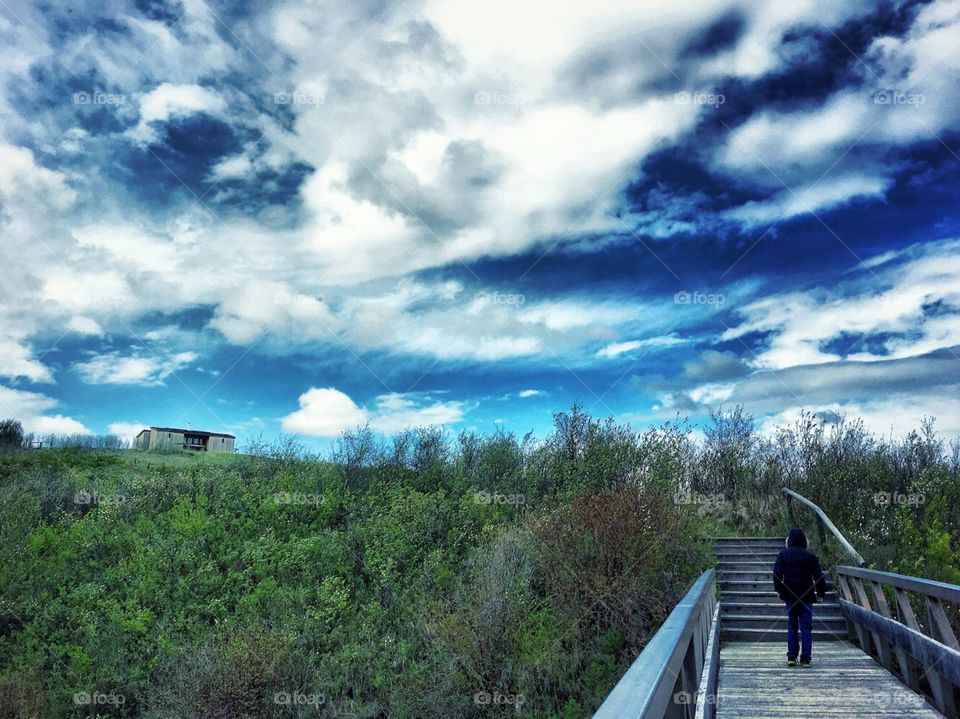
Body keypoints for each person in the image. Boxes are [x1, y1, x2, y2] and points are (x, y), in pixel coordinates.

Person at [772, 527, 827, 667]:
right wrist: (820, 593)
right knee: (806, 627)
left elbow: (776, 574)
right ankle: (806, 659)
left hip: (790, 596)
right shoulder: (811, 556)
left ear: (789, 540)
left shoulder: (783, 555)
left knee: (792, 626)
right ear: (804, 541)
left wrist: (780, 590)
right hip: (807, 596)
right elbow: (818, 577)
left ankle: (791, 657)